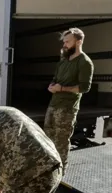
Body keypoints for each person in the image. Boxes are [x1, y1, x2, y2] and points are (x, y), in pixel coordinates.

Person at [44, 27, 94, 175]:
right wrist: (52, 86)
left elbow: (84, 88)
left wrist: (62, 89)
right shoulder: (63, 60)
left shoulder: (85, 62)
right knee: (47, 138)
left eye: (68, 42)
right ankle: (48, 170)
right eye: (64, 42)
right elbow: (56, 78)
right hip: (53, 104)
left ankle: (60, 172)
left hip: (67, 108)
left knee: (61, 141)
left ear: (79, 42)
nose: (64, 45)